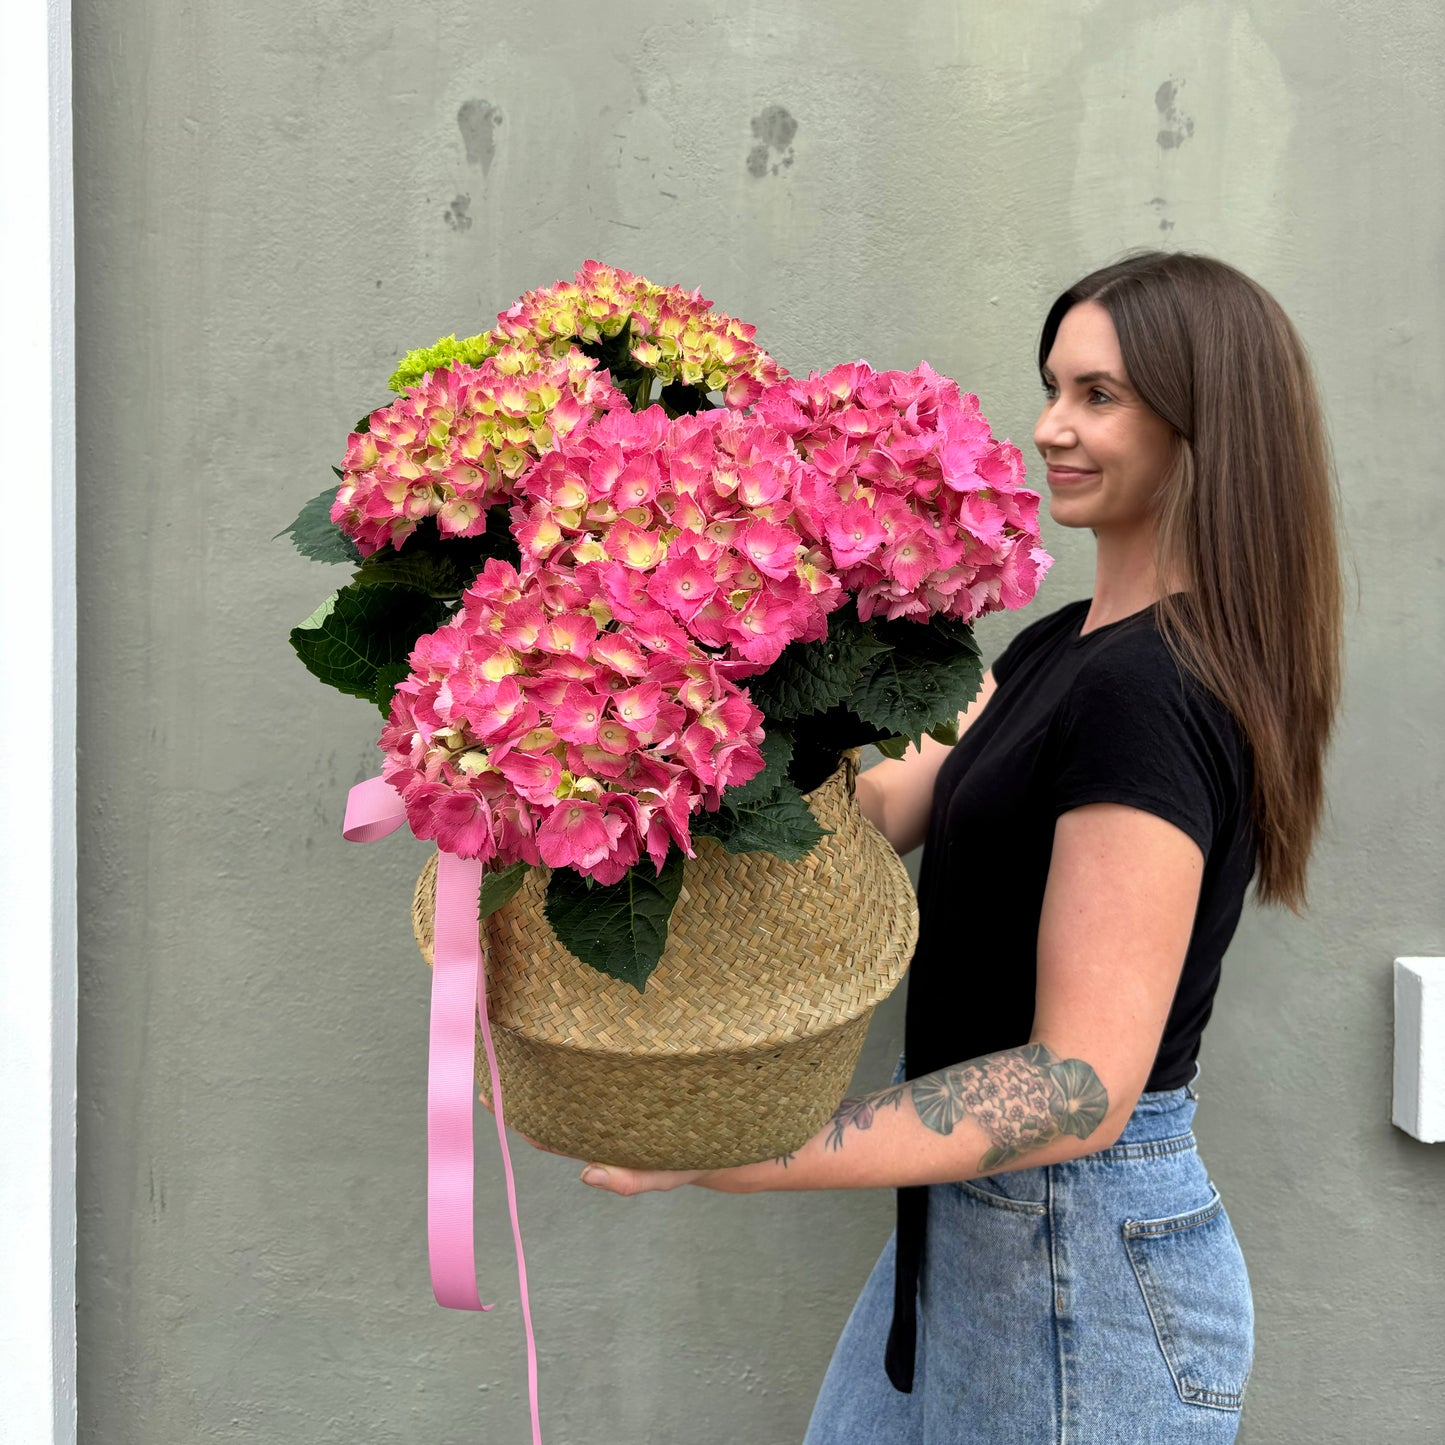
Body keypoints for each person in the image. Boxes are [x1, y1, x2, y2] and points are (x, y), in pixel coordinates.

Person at [529, 250, 1346, 1443]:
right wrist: (615, 695)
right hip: (975, 1226)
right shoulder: (1057, 645)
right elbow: (852, 813)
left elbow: (1076, 1085)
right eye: (1051, 386)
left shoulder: (1152, 690)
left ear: (1201, 420)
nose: (1048, 426)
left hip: (1080, 1261)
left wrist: (747, 1148)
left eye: (1096, 396)